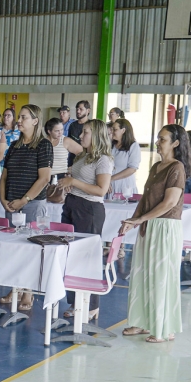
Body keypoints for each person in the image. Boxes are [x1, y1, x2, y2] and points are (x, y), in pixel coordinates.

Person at [121, 124, 190, 343]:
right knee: (142, 275)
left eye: (162, 139)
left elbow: (169, 203)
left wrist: (141, 219)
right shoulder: (157, 167)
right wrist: (134, 220)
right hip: (149, 226)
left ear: (175, 143)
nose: (158, 142)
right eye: (158, 138)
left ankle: (163, 328)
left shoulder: (176, 168)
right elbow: (146, 199)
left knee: (161, 277)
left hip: (165, 227)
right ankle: (142, 321)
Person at [0, 104, 54, 312]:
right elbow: (4, 176)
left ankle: (28, 291)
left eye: (23, 117)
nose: (19, 121)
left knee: (31, 248)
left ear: (35, 121)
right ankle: (15, 287)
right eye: (19, 117)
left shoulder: (44, 145)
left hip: (32, 204)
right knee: (14, 249)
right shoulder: (14, 146)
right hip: (12, 204)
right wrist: (3, 199)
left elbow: (44, 178)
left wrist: (24, 200)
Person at [56, 120, 113, 318]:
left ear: (96, 135)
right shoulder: (82, 156)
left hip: (89, 209)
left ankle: (92, 305)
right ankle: (75, 301)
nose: (81, 136)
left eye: (85, 132)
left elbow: (101, 190)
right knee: (72, 255)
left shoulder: (103, 160)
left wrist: (74, 181)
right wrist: (70, 184)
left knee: (88, 257)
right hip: (73, 204)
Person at [108, 118, 142, 198]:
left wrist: (111, 179)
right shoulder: (111, 145)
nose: (112, 132)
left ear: (123, 130)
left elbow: (132, 169)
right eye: (112, 129)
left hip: (124, 186)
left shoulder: (133, 146)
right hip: (109, 186)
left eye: (115, 129)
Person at [62, 100, 91, 164]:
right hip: (72, 160)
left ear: (88, 110)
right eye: (77, 109)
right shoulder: (72, 125)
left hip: (85, 159)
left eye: (81, 109)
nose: (78, 111)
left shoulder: (91, 125)